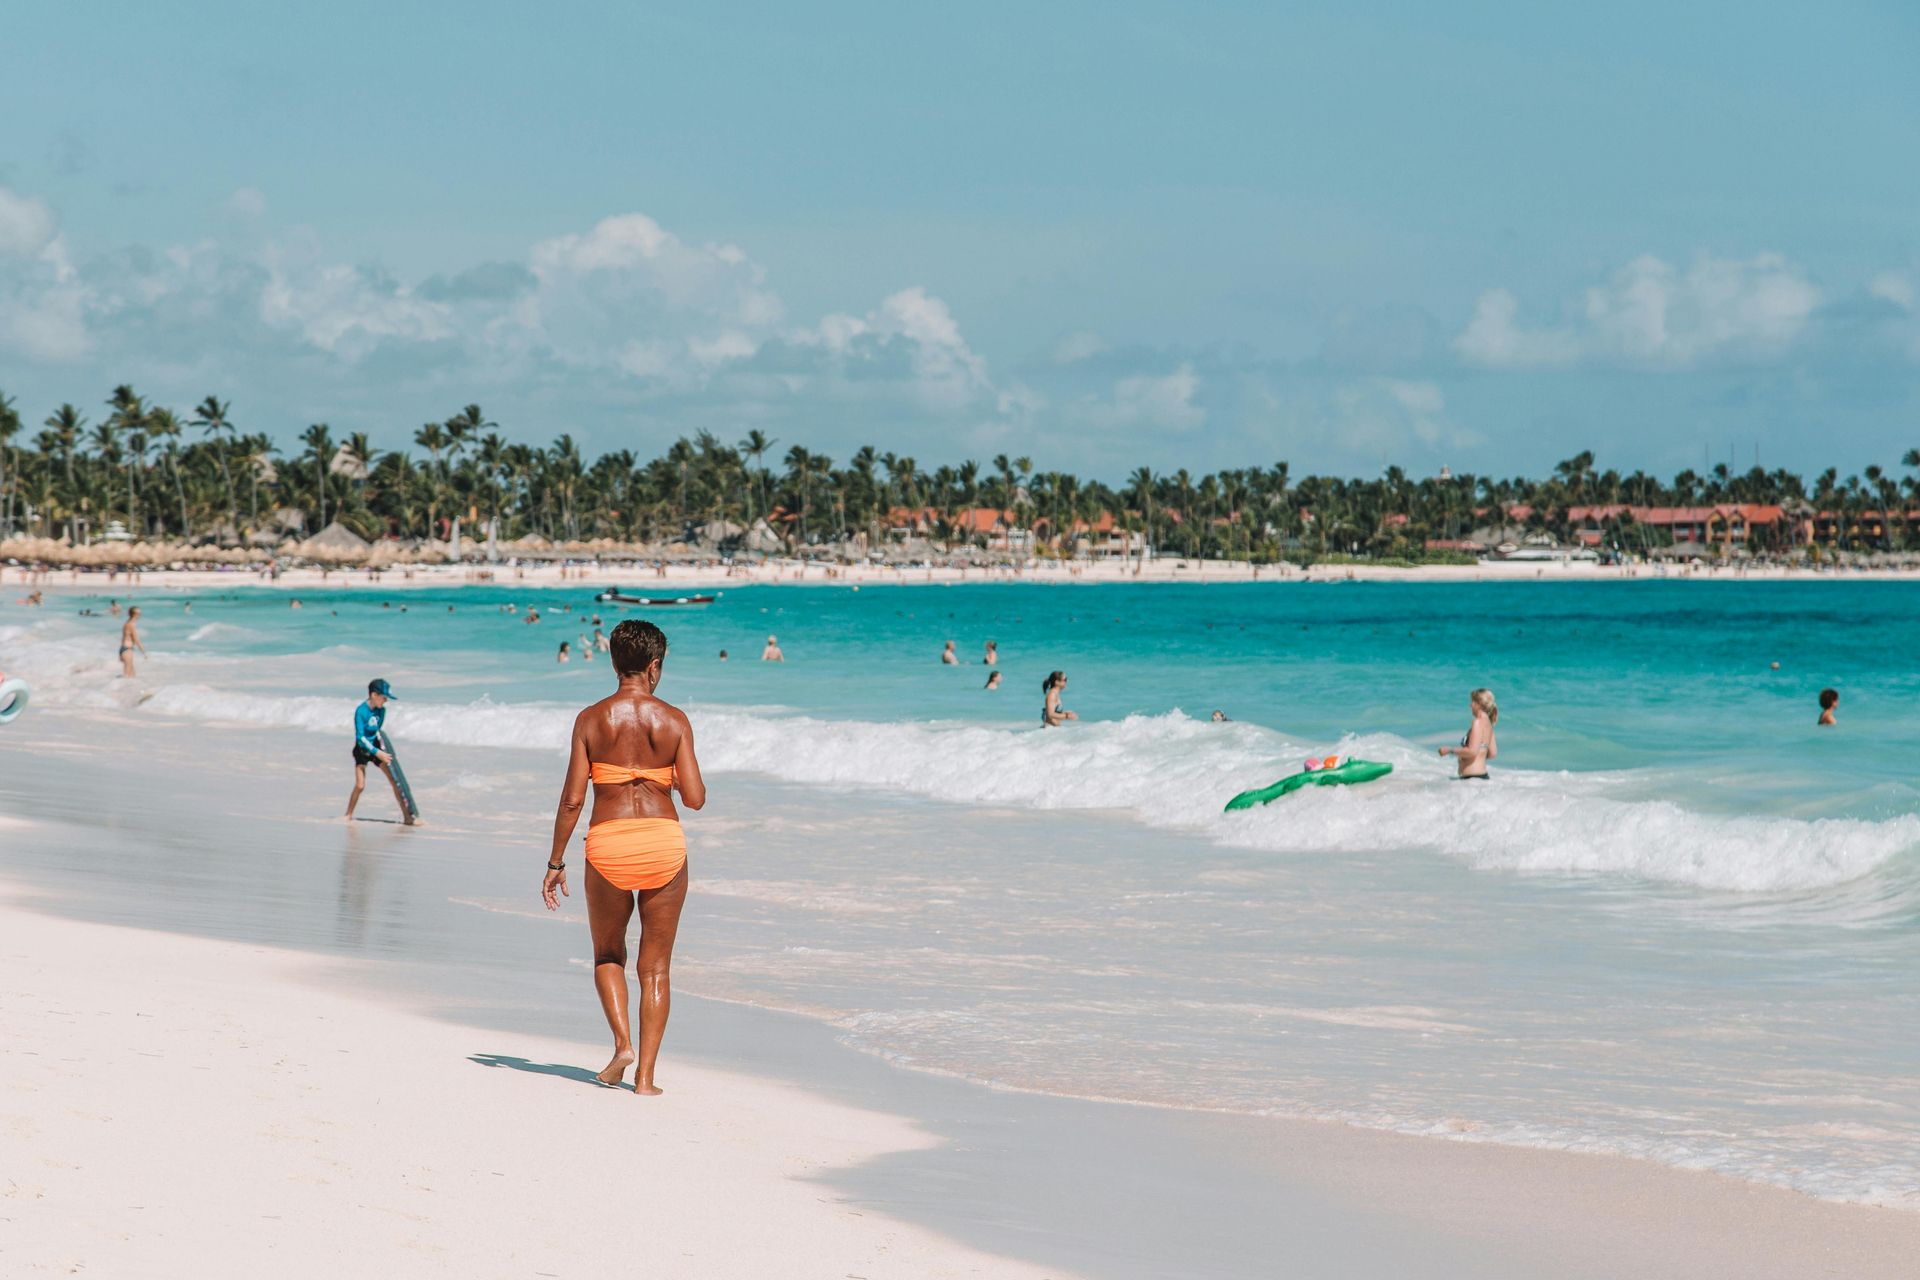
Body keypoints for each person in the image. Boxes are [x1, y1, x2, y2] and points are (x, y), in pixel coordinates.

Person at [542, 620, 707, 1096]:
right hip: (662, 844)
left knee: (609, 954)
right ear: (654, 666)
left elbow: (572, 800)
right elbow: (694, 798)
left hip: (609, 843)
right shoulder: (674, 720)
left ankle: (622, 1045)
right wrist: (665, 778)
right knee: (655, 967)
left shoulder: (591, 720)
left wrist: (555, 863)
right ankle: (647, 1080)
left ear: (614, 663)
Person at [346, 678, 414, 824]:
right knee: (360, 785)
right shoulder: (361, 711)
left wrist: (380, 750)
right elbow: (360, 737)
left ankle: (407, 817)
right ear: (373, 695)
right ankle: (348, 815)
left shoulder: (382, 711)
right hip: (362, 750)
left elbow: (377, 731)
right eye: (384, 697)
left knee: (395, 781)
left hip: (376, 748)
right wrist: (377, 753)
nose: (385, 701)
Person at [1438, 687, 1498, 780]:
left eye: (1472, 702)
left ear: (1479, 704)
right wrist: (1479, 754)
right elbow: (1492, 753)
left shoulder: (1477, 722)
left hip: (1472, 779)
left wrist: (1449, 750)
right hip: (1482, 777)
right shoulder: (1489, 724)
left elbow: (1472, 751)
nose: (1470, 705)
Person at [118, 607, 147, 678]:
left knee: (132, 675)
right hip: (127, 649)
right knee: (127, 675)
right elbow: (136, 640)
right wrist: (144, 652)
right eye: (139, 613)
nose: (140, 615)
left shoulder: (127, 623)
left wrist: (120, 653)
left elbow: (124, 638)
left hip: (125, 649)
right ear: (134, 614)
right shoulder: (131, 625)